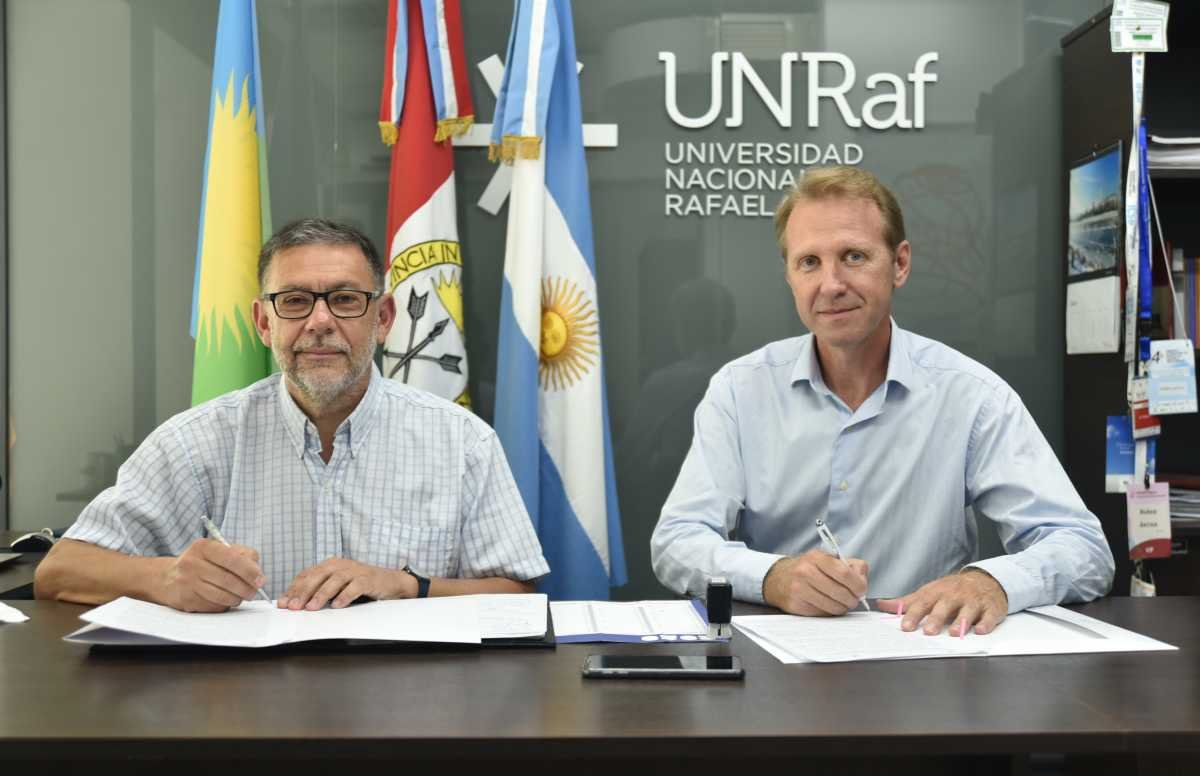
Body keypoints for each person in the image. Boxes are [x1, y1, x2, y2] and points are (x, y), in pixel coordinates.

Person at [650, 166, 1114, 636]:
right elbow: (677, 541)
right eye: (809, 262)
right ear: (790, 277)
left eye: (853, 256)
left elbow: (1083, 549)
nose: (831, 284)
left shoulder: (971, 396)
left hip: (925, 653)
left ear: (900, 264)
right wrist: (772, 577)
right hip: (779, 660)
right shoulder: (740, 390)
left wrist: (990, 581)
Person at [36, 218, 549, 612]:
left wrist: (406, 585)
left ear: (384, 319)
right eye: (296, 301)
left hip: (409, 708)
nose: (320, 321)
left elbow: (520, 595)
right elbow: (58, 572)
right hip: (240, 709)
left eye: (345, 299)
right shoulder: (197, 443)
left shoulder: (461, 442)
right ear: (264, 322)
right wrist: (165, 578)